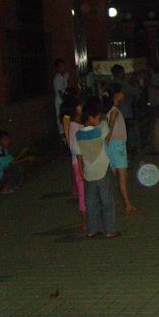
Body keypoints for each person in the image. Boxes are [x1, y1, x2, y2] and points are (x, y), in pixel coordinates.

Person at [72, 101, 120, 239]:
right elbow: (107, 130)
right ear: (90, 118)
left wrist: (81, 171)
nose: (99, 119)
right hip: (103, 169)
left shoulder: (78, 135)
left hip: (88, 172)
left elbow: (78, 155)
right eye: (97, 116)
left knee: (91, 202)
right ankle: (110, 230)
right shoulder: (101, 128)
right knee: (107, 201)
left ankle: (92, 230)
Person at [105, 83, 138, 214]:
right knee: (122, 177)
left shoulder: (111, 111)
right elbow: (110, 129)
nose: (123, 94)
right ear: (116, 95)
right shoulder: (114, 111)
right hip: (117, 146)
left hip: (112, 145)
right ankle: (127, 204)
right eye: (121, 92)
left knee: (112, 177)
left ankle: (114, 203)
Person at [62, 97, 86, 227]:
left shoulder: (80, 124)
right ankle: (84, 220)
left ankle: (89, 218)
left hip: (85, 161)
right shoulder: (73, 125)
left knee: (86, 191)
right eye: (79, 106)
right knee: (82, 192)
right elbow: (73, 147)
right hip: (78, 162)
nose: (82, 107)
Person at [111, 64, 141, 152]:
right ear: (120, 73)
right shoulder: (123, 84)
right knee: (126, 132)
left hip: (114, 111)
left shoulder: (111, 83)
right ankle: (127, 150)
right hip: (125, 111)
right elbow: (135, 91)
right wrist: (135, 83)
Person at [53, 59, 69, 141]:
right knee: (60, 118)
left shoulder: (63, 76)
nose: (64, 68)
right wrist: (65, 101)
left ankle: (65, 135)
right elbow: (60, 92)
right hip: (60, 101)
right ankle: (62, 136)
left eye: (64, 66)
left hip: (63, 101)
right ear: (58, 68)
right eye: (62, 66)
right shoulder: (57, 78)